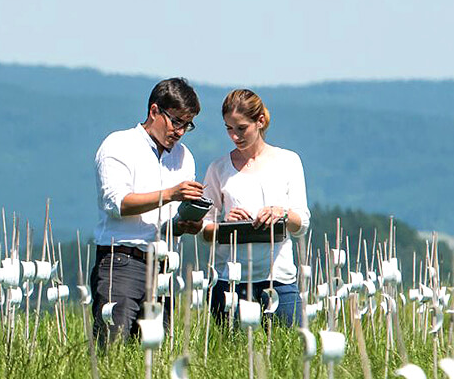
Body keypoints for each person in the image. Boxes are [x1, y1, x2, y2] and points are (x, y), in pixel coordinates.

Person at [91, 77, 204, 345]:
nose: (180, 131)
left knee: (155, 352)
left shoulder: (184, 156)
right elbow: (116, 203)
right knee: (112, 347)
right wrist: (170, 194)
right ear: (154, 111)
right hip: (121, 261)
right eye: (176, 121)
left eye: (187, 125)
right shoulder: (118, 145)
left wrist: (188, 223)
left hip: (163, 265)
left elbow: (169, 220)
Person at [199, 89, 309, 327]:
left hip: (278, 276)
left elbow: (302, 224)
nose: (235, 136)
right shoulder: (218, 169)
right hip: (231, 280)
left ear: (259, 122)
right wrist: (224, 225)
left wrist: (283, 214)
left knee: (289, 351)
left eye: (241, 128)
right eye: (229, 128)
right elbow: (205, 231)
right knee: (233, 356)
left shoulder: (288, 161)